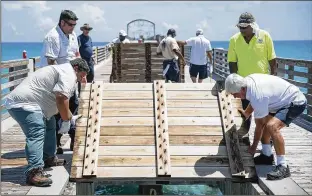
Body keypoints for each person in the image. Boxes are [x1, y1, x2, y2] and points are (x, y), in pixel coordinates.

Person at [4, 58, 90, 187]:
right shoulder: (68, 73)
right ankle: (34, 172)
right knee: (37, 132)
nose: (81, 79)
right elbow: (61, 97)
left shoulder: (62, 70)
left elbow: (59, 100)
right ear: (76, 68)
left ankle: (48, 158)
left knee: (50, 126)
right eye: (82, 75)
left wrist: (70, 117)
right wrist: (66, 120)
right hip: (25, 104)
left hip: (37, 105)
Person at [224, 73, 306, 180]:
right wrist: (246, 113)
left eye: (234, 94)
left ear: (242, 89)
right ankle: (267, 156)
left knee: (271, 126)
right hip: (277, 102)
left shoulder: (257, 95)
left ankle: (283, 166)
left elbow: (259, 126)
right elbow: (254, 101)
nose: (234, 96)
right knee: (267, 124)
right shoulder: (247, 82)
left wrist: (253, 147)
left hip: (295, 102)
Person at [40, 10, 83, 153]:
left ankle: (73, 141)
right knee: (57, 113)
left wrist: (82, 71)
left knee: (74, 107)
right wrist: (58, 84)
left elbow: (76, 54)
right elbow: (51, 62)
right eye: (70, 24)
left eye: (74, 25)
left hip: (71, 78)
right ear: (62, 22)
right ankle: (56, 145)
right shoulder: (52, 37)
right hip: (57, 81)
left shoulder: (73, 34)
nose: (73, 27)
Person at [227, 12, 277, 132]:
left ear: (253, 25)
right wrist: (235, 84)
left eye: (245, 27)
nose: (242, 29)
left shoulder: (265, 36)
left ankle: (267, 140)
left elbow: (272, 59)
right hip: (244, 84)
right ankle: (244, 135)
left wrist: (273, 78)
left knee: (265, 114)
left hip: (263, 84)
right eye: (240, 27)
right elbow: (232, 62)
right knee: (245, 113)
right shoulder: (234, 40)